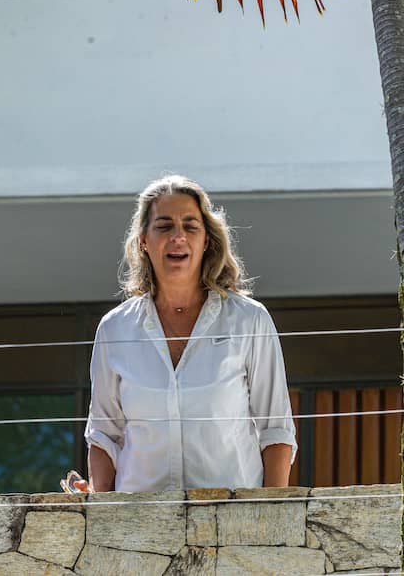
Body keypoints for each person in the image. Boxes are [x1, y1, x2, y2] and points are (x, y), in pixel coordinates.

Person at [83, 175, 296, 492]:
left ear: (206, 240)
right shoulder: (114, 328)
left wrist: (270, 516)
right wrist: (104, 514)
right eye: (164, 226)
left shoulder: (250, 320)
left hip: (231, 515)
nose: (178, 236)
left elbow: (276, 430)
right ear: (144, 240)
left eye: (190, 226)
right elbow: (104, 436)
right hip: (140, 521)